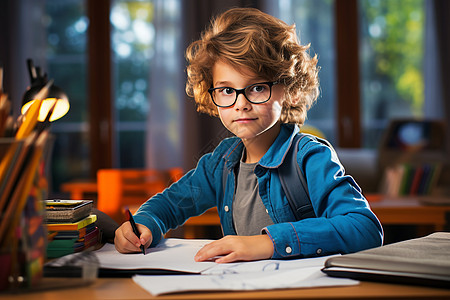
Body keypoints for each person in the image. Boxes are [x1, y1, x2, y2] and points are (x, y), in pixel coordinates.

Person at [114, 7, 383, 263]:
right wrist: (144, 224)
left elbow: (364, 228)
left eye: (256, 88)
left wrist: (268, 243)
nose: (241, 103)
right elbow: (171, 204)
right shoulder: (220, 163)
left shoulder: (310, 157)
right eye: (227, 90)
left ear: (289, 90)